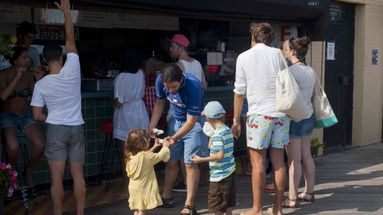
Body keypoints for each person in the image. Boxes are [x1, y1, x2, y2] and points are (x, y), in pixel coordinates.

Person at [31, 0, 86, 214]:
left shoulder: (41, 84)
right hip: (77, 128)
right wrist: (66, 12)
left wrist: (51, 116)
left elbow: (36, 115)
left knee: (56, 179)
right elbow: (70, 38)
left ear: (45, 60)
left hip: (56, 129)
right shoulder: (73, 68)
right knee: (78, 176)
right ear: (61, 57)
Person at [231, 22, 289, 215]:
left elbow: (239, 92)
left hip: (258, 115)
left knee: (258, 164)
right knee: (279, 162)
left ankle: (257, 209)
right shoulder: (278, 54)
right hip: (281, 114)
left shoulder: (244, 57)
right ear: (270, 38)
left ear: (253, 37)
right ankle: (278, 208)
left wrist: (236, 120)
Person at [149, 63, 205, 214]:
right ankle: (166, 197)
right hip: (176, 120)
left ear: (181, 79)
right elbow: (160, 103)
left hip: (193, 123)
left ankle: (189, 205)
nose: (170, 90)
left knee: (190, 163)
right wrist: (151, 127)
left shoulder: (193, 86)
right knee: (170, 160)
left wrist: (174, 137)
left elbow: (191, 121)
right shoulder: (161, 80)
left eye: (173, 87)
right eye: (167, 87)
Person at [0, 46, 45, 187]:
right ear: (15, 60)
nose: (27, 60)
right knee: (13, 147)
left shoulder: (29, 75)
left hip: (25, 115)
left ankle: (28, 170)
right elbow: (2, 97)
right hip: (8, 116)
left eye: (28, 57)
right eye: (24, 57)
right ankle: (13, 174)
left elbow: (36, 97)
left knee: (41, 144)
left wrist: (38, 81)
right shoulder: (4, 74)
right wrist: (17, 77)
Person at [168, 33, 207, 192]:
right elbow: (204, 85)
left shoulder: (178, 66)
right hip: (196, 114)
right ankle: (188, 184)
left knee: (178, 155)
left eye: (172, 47)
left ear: (179, 47)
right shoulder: (197, 63)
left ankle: (185, 183)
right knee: (191, 155)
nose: (170, 50)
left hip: (179, 116)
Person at [281, 36, 316, 207]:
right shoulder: (310, 70)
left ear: (293, 51)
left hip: (295, 118)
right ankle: (309, 192)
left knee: (293, 159)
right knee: (307, 155)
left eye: (286, 48)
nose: (283, 51)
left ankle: (292, 197)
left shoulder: (291, 72)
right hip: (309, 115)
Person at [191, 101, 236, 215]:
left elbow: (219, 155)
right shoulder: (227, 130)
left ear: (209, 119)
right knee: (228, 204)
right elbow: (211, 146)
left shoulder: (217, 135)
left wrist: (201, 159)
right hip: (230, 174)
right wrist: (211, 135)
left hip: (219, 177)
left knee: (217, 207)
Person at [125, 129, 171, 215]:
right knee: (142, 210)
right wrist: (165, 147)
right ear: (142, 143)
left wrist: (155, 147)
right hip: (143, 188)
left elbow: (143, 157)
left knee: (137, 209)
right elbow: (159, 156)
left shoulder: (130, 155)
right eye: (147, 139)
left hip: (133, 188)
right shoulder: (146, 157)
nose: (149, 140)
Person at [113, 48, 149, 142]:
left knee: (127, 150)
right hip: (141, 111)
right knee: (140, 148)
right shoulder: (141, 73)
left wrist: (112, 98)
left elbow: (119, 103)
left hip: (126, 115)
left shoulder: (121, 77)